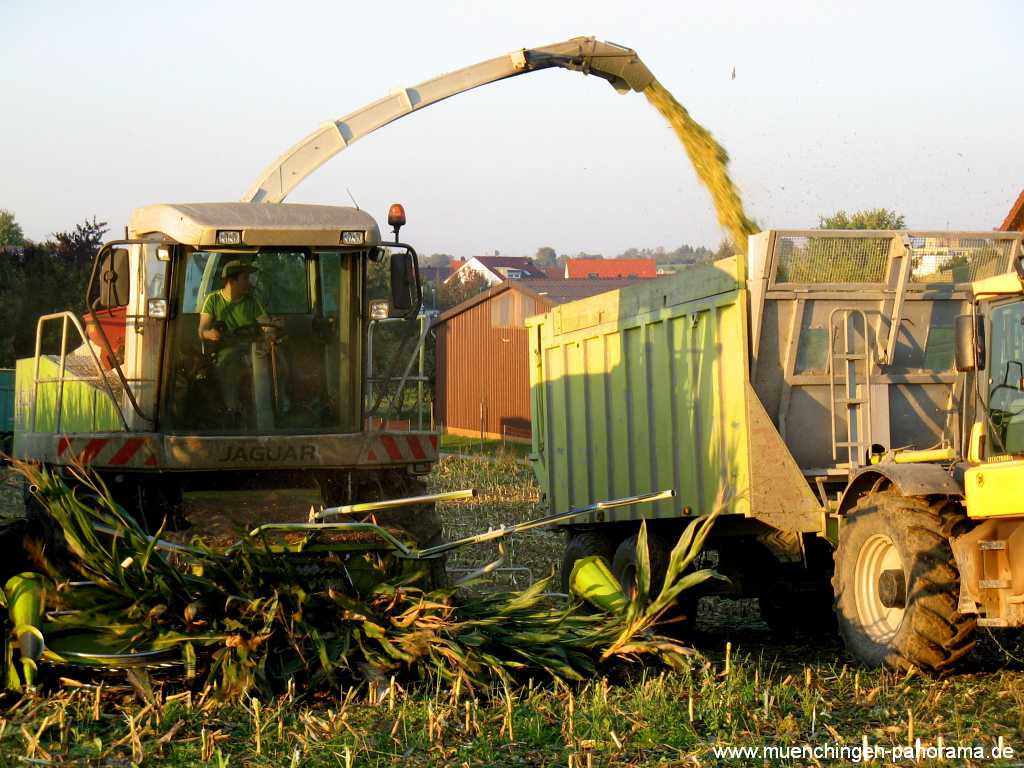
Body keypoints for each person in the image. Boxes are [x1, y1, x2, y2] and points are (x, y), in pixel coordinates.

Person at [198, 260, 274, 423]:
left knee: (279, 363)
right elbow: (201, 330)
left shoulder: (252, 301)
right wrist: (210, 333)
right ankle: (231, 411)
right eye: (245, 278)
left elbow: (266, 325)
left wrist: (270, 335)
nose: (249, 282)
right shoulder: (213, 300)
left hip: (254, 348)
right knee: (230, 366)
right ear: (231, 281)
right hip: (227, 350)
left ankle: (279, 407)